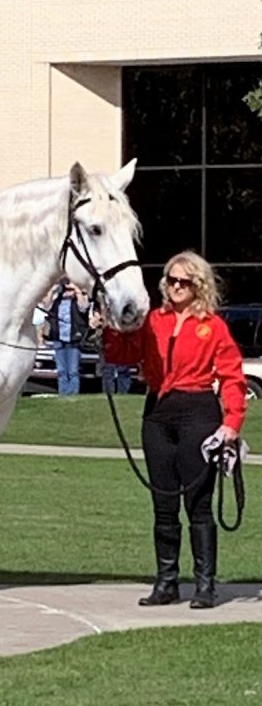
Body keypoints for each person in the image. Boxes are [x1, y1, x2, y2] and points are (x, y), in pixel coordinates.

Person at [103, 250, 246, 609]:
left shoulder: (213, 326)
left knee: (197, 505)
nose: (176, 287)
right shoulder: (154, 320)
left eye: (184, 281)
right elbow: (124, 353)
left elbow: (232, 377)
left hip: (198, 412)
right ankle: (166, 582)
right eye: (171, 280)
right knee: (163, 504)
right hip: (158, 413)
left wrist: (231, 423)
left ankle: (204, 585)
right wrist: (109, 327)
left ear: (198, 284)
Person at [46, 278, 90, 395]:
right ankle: (63, 393)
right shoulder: (58, 301)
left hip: (73, 338)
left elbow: (84, 307)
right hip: (58, 337)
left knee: (73, 370)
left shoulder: (78, 300)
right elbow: (47, 307)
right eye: (67, 288)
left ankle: (73, 393)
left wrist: (77, 289)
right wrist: (52, 289)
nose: (68, 290)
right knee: (61, 370)